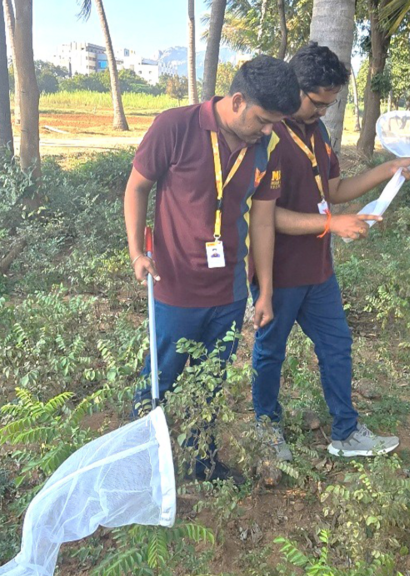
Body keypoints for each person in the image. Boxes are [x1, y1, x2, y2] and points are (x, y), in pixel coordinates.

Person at [124, 56, 301, 483]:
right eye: (262, 120)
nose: (268, 130)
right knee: (160, 379)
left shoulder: (267, 146)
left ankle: (201, 461)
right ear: (237, 100)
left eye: (275, 123)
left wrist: (264, 291)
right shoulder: (175, 127)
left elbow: (261, 220)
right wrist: (136, 253)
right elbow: (137, 187)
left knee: (212, 382)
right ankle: (138, 465)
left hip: (228, 292)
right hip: (174, 288)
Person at [251, 42, 410, 461]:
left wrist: (389, 169)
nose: (324, 111)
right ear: (296, 89)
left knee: (337, 346)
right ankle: (266, 429)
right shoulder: (269, 137)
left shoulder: (318, 133)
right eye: (318, 103)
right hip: (280, 270)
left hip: (319, 269)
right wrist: (332, 223)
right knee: (270, 352)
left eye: (330, 104)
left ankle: (345, 432)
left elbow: (333, 191)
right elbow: (266, 217)